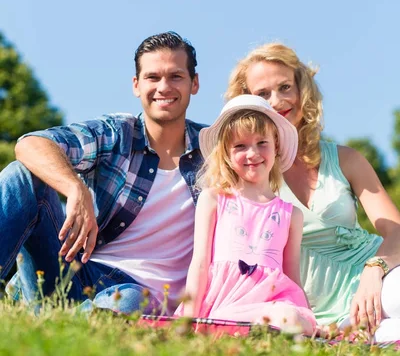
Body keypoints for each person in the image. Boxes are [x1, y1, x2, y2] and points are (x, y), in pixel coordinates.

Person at [0, 31, 206, 314]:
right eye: (153, 77)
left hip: (136, 297)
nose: (164, 87)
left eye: (176, 77)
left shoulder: (215, 150)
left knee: (132, 299)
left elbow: (271, 156)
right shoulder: (118, 133)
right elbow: (31, 144)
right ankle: (52, 311)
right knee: (23, 177)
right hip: (78, 271)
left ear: (194, 83)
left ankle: (56, 320)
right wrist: (74, 186)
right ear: (136, 85)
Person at [225, 42, 400, 341]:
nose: (277, 100)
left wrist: (375, 271)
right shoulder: (245, 177)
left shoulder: (346, 159)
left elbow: (395, 229)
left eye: (284, 87)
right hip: (315, 312)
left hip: (377, 281)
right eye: (263, 94)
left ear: (301, 90)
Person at [175, 94, 317, 335]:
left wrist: (307, 317)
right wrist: (189, 319)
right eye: (240, 146)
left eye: (262, 143)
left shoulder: (290, 215)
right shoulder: (214, 199)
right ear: (227, 155)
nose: (252, 154)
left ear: (276, 147)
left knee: (290, 317)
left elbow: (292, 276)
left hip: (275, 306)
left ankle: (295, 331)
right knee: (255, 320)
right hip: (226, 305)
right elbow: (199, 263)